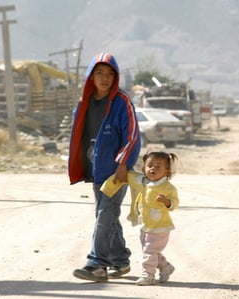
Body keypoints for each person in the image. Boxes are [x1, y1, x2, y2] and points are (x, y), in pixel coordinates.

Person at [68, 52, 141, 282]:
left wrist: (123, 163)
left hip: (115, 171)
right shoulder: (84, 103)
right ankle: (120, 259)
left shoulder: (121, 101)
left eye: (110, 74)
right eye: (99, 73)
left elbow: (132, 135)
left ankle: (97, 264)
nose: (105, 78)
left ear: (116, 78)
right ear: (91, 76)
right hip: (95, 169)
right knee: (107, 215)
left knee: (105, 214)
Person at [101, 151, 180, 286]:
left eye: (158, 166)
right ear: (144, 168)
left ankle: (148, 274)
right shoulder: (142, 181)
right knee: (151, 251)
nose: (153, 168)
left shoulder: (168, 187)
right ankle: (165, 266)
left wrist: (167, 202)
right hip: (146, 225)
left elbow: (175, 202)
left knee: (149, 251)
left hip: (160, 227)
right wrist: (108, 187)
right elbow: (125, 176)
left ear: (167, 171)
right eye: (150, 165)